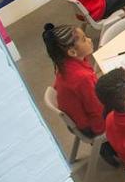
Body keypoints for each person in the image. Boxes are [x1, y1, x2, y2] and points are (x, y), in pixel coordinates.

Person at [41, 23, 119, 166]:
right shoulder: (82, 78)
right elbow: (96, 110)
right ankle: (110, 146)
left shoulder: (64, 66)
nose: (89, 40)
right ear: (72, 52)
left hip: (80, 121)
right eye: (84, 39)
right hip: (93, 125)